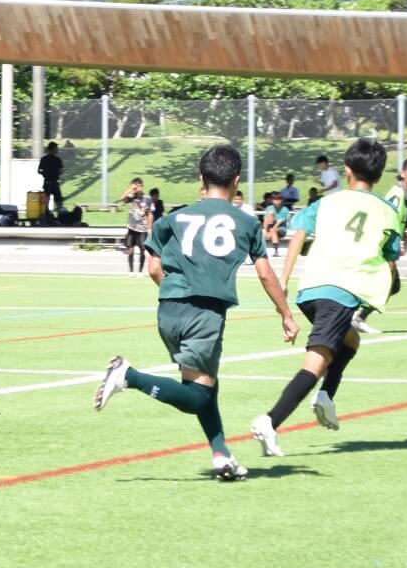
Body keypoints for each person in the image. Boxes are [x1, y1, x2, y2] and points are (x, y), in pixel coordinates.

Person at [94, 145, 295, 482]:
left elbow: (153, 268)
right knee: (196, 396)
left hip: (168, 309)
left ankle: (222, 455)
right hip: (205, 312)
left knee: (207, 382)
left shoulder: (174, 218)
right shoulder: (246, 222)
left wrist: (175, 292)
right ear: (236, 180)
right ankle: (129, 376)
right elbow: (265, 274)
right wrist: (286, 314)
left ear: (201, 179)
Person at [249, 139, 402, 456]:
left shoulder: (327, 202)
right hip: (340, 293)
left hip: (310, 290)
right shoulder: (387, 212)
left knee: (350, 341)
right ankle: (270, 421)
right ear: (379, 175)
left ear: (347, 170)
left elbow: (298, 235)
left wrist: (285, 279)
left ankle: (326, 396)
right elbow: (390, 256)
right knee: (316, 363)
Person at [120, 178, 155, 274]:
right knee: (130, 249)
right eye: (134, 186)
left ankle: (140, 271)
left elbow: (150, 214)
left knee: (143, 249)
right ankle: (131, 271)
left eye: (137, 186)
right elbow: (122, 198)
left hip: (142, 228)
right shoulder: (131, 197)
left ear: (141, 186)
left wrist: (150, 227)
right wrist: (130, 189)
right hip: (132, 227)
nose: (136, 188)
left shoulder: (147, 199)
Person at [38, 141, 65, 215]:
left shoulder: (44, 159)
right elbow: (61, 171)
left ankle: (46, 214)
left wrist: (45, 174)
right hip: (55, 182)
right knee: (58, 199)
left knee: (46, 198)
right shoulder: (57, 159)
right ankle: (60, 214)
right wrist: (56, 173)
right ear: (52, 149)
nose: (57, 150)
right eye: (56, 148)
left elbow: (39, 170)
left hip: (47, 182)